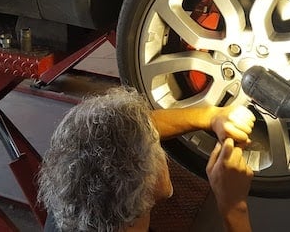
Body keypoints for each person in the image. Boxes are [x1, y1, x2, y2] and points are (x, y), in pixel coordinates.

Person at [37, 87, 256, 232]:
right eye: (156, 149)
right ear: (153, 183)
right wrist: (234, 207)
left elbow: (127, 131)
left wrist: (209, 116)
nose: (160, 146)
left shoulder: (68, 199)